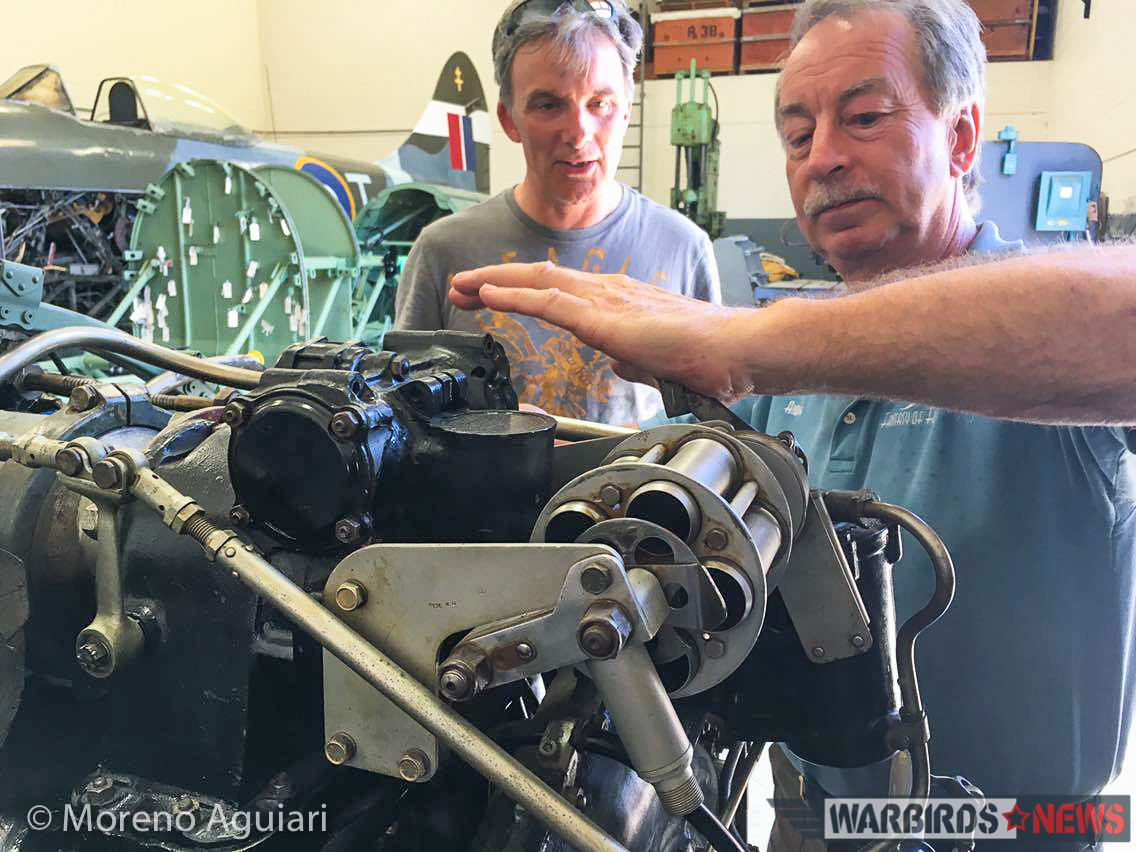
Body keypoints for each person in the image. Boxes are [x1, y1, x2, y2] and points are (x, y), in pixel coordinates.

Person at [451, 0, 1136, 848]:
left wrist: (747, 343)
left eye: (864, 117)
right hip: (811, 812)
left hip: (1019, 828)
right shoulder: (783, 381)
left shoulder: (1056, 338)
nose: (824, 157)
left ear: (962, 138)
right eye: (798, 133)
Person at [394, 0, 721, 426]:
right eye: (549, 105)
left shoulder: (683, 249)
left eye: (600, 103)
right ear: (510, 120)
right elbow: (402, 418)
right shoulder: (443, 253)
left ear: (627, 108)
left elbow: (713, 420)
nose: (579, 133)